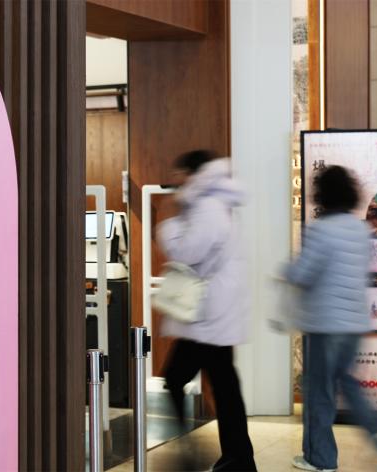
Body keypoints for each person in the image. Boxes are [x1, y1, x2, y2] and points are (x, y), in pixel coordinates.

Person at [158, 150, 257, 471]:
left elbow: (186, 251)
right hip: (216, 313)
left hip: (208, 315)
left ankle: (195, 454)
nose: (175, 181)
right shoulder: (216, 203)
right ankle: (237, 458)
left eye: (179, 174)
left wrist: (168, 224)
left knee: (177, 378)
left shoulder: (207, 207)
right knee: (225, 386)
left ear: (192, 174)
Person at [286, 166, 377, 472]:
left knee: (319, 392)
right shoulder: (358, 230)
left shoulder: (321, 230)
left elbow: (303, 274)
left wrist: (285, 271)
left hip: (325, 324)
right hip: (354, 323)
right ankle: (376, 427)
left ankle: (321, 459)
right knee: (346, 381)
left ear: (323, 194)